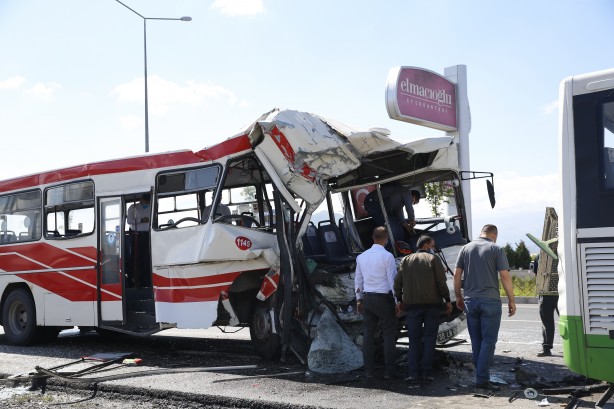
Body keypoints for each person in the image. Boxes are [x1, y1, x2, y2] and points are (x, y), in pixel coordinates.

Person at [454, 224, 516, 392]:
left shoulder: (465, 248)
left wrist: (458, 296)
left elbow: (457, 275)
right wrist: (511, 300)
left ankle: (481, 375)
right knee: (489, 341)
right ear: (494, 235)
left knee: (476, 340)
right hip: (490, 301)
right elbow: (504, 276)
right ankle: (482, 379)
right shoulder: (496, 248)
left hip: (470, 301)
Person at [394, 235, 452, 384]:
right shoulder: (433, 260)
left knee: (413, 340)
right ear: (426, 245)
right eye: (432, 245)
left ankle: (413, 373)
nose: (433, 248)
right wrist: (447, 300)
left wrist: (399, 300)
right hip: (432, 306)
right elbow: (441, 282)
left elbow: (398, 283)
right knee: (429, 339)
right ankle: (426, 372)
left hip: (412, 307)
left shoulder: (406, 260)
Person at [355, 226, 398, 379]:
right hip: (383, 299)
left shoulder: (361, 257)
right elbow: (392, 281)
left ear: (373, 238)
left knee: (368, 335)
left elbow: (358, 280)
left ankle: (369, 371)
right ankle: (389, 371)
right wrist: (397, 301)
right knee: (388, 335)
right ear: (385, 240)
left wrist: (359, 299)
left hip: (367, 298)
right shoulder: (387, 257)